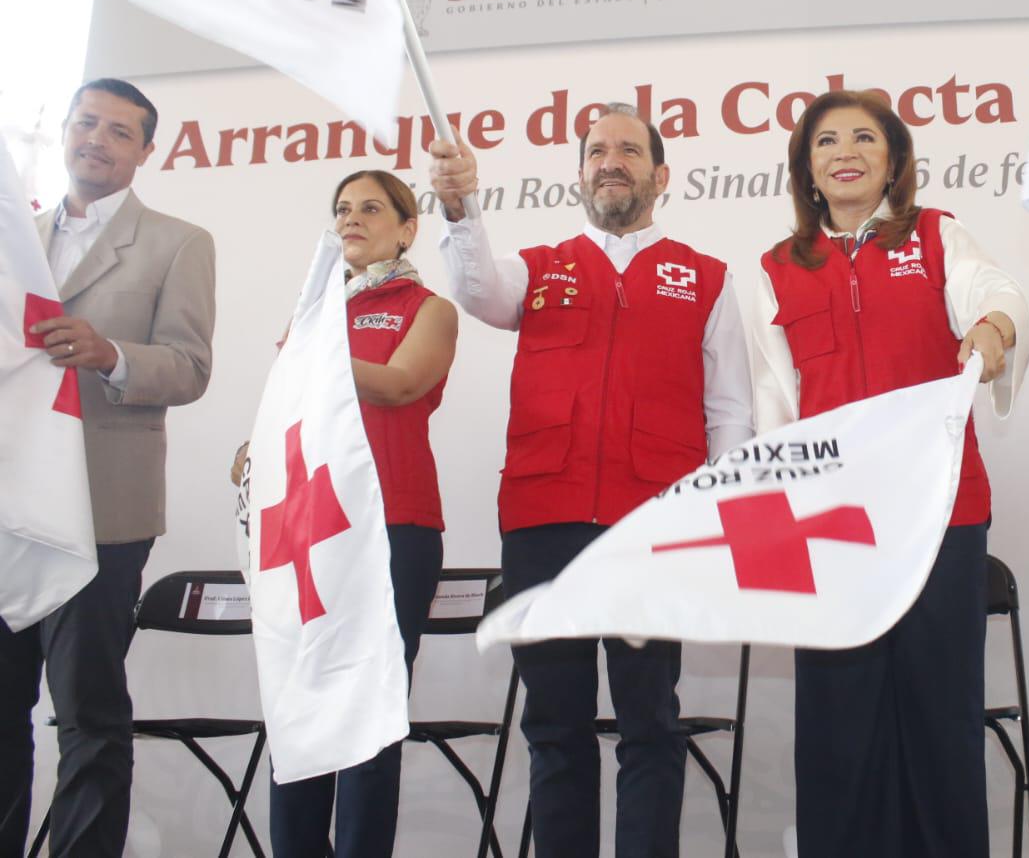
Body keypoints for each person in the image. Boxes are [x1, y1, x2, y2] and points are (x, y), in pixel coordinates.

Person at [427, 103, 753, 858]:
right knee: (555, 724)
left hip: (656, 526)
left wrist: (717, 521)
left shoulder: (706, 278)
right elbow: (477, 289)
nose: (611, 161)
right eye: (597, 150)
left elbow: (730, 409)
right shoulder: (538, 269)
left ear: (660, 175)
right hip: (544, 518)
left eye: (629, 150)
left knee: (650, 722)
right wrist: (460, 205)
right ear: (579, 174)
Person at [749, 89, 1029, 858]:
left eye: (863, 138)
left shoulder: (938, 235)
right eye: (825, 141)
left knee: (941, 714)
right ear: (806, 171)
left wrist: (992, 327)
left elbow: (997, 294)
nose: (844, 152)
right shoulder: (776, 268)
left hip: (939, 513)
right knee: (837, 721)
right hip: (831, 524)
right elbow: (773, 406)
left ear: (893, 160)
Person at [0, 78, 216, 857]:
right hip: (11, 504)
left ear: (146, 151)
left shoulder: (176, 242)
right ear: (63, 130)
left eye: (119, 131)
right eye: (86, 123)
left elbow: (189, 369)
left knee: (87, 712)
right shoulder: (16, 238)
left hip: (103, 511)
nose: (97, 139)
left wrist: (109, 354)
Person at [263, 170, 457, 857]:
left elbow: (401, 384)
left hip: (391, 525)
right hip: (308, 531)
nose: (352, 218)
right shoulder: (314, 313)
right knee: (301, 706)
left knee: (367, 716)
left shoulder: (428, 308)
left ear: (407, 229)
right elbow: (287, 414)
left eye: (372, 208)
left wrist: (314, 357)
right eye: (343, 208)